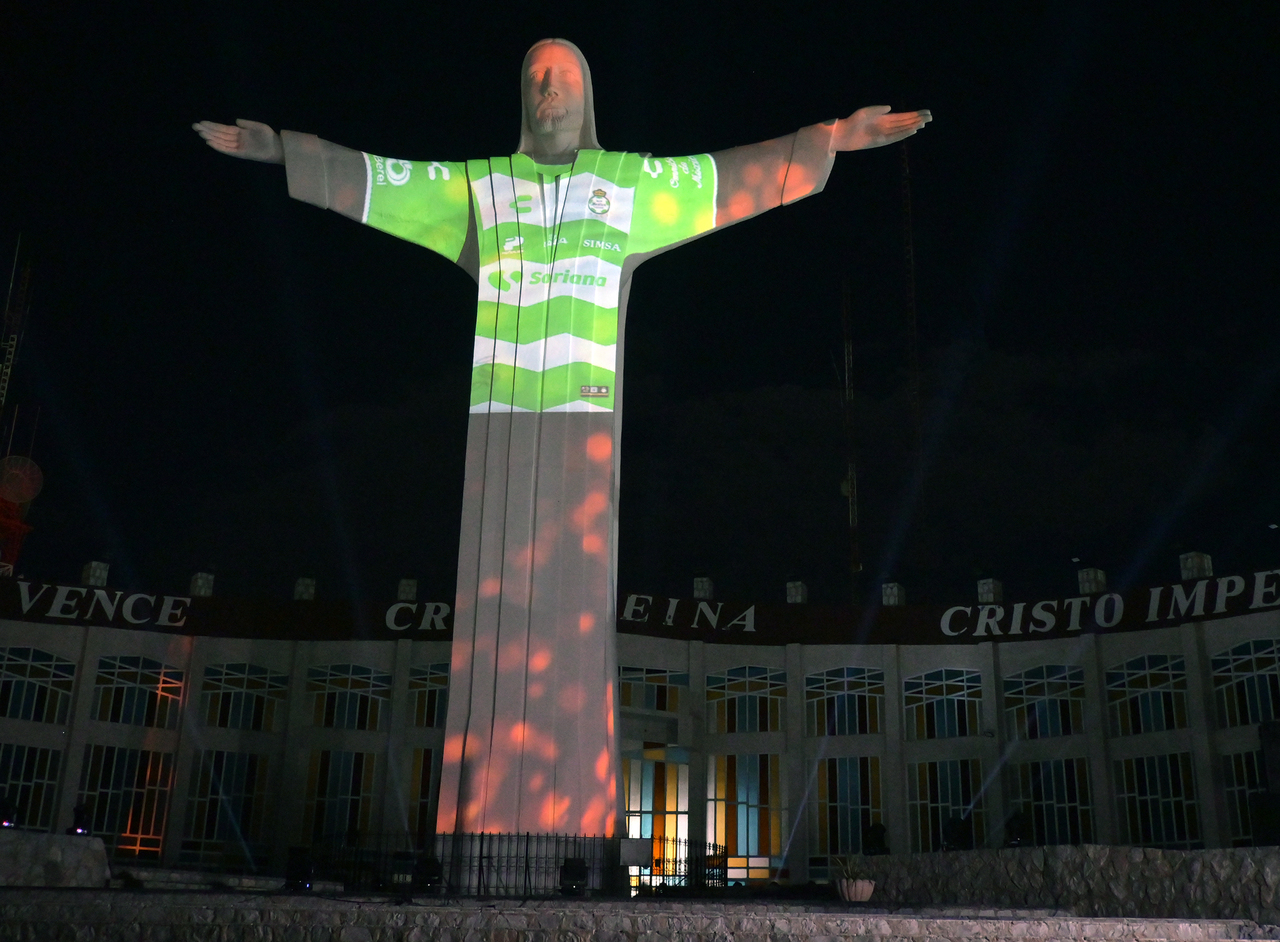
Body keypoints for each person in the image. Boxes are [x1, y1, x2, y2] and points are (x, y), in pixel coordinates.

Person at [194, 39, 930, 838]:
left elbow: (727, 176)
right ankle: (478, 828)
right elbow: (383, 178)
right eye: (537, 76)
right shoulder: (480, 190)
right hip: (499, 424)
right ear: (522, 96)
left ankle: (574, 830)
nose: (550, 87)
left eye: (564, 75)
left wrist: (829, 139)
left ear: (588, 96)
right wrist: (287, 152)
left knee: (574, 622)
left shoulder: (628, 186)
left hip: (583, 429)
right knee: (492, 607)